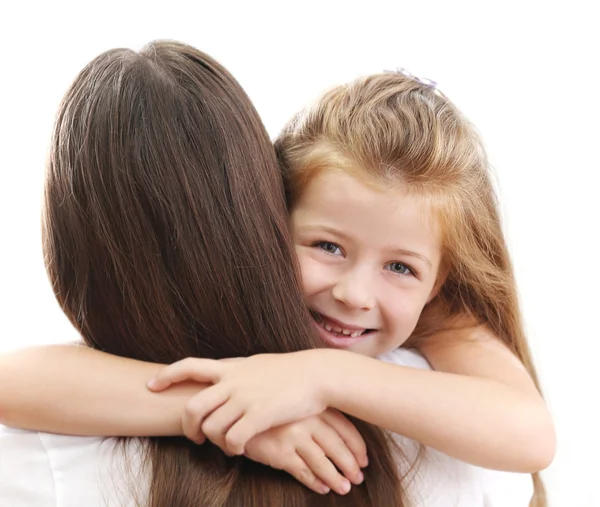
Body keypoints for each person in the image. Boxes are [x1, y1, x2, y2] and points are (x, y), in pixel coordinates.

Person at [0, 49, 552, 506]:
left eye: (401, 267)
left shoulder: (442, 349)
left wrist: (321, 375)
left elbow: (532, 435)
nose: (354, 294)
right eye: (327, 247)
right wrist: (233, 414)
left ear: (437, 284)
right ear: (267, 218)